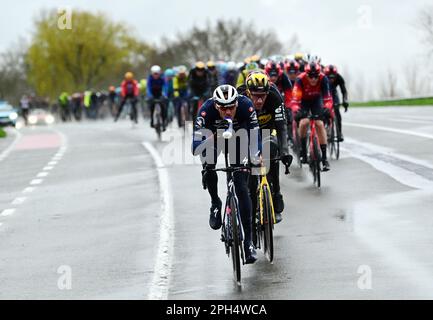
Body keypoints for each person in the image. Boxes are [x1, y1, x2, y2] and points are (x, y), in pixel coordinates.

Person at [192, 84, 261, 264]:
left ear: (237, 103)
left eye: (231, 107)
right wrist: (215, 135)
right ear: (216, 106)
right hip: (214, 140)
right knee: (208, 164)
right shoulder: (206, 110)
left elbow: (255, 135)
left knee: (241, 187)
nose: (228, 111)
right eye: (223, 108)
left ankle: (248, 242)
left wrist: (256, 155)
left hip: (240, 140)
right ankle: (215, 201)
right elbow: (195, 147)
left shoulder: (246, 105)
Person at [237, 71, 292, 223]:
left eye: (263, 95)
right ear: (248, 92)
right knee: (249, 167)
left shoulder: (275, 96)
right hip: (247, 132)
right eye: (255, 95)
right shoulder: (239, 97)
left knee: (272, 153)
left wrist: (285, 151)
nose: (259, 100)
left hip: (268, 129)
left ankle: (276, 193)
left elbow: (282, 128)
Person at [290, 62, 333, 171]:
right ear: (306, 74)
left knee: (319, 124)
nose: (313, 79)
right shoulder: (300, 79)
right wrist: (296, 110)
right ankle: (303, 152)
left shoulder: (323, 78)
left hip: (316, 100)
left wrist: (327, 108)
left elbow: (328, 98)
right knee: (304, 122)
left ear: (319, 74)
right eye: (311, 76)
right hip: (303, 101)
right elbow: (294, 100)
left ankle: (324, 158)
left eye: (316, 76)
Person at [324, 65, 349, 142]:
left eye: (333, 77)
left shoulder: (339, 77)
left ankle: (339, 133)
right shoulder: (322, 77)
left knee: (337, 112)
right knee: (324, 112)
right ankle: (326, 127)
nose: (331, 79)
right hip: (324, 93)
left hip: (333, 93)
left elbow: (344, 91)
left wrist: (345, 101)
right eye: (329, 77)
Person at [147, 65, 167, 129]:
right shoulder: (150, 78)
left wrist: (164, 94)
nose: (155, 75)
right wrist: (150, 96)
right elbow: (148, 88)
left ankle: (164, 122)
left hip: (160, 93)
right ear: (152, 73)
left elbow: (165, 87)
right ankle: (152, 120)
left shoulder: (163, 78)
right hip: (153, 94)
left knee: (163, 107)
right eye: (154, 74)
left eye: (157, 74)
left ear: (159, 73)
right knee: (151, 107)